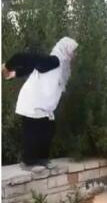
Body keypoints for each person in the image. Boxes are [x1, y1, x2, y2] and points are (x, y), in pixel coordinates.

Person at [3, 37, 78, 170]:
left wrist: (15, 73)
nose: (74, 54)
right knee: (32, 131)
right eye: (72, 51)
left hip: (43, 105)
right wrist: (8, 66)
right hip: (33, 102)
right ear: (65, 50)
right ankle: (29, 162)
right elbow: (25, 58)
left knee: (47, 129)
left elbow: (34, 68)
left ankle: (42, 159)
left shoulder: (59, 65)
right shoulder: (54, 60)